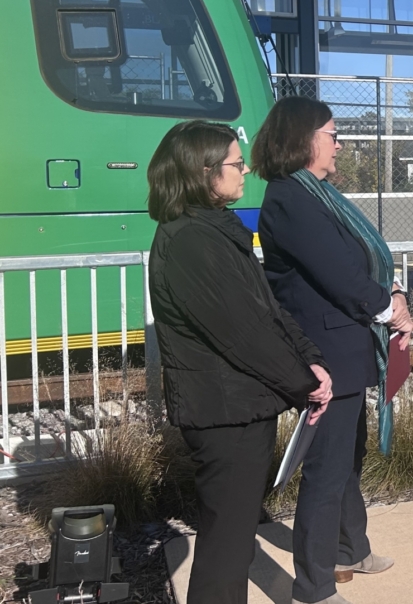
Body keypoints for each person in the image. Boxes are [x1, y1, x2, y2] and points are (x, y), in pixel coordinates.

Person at [146, 120, 333, 604]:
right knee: (226, 550)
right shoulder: (190, 241)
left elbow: (267, 310)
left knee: (232, 541)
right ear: (204, 172)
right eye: (234, 162)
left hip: (241, 407)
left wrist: (308, 360)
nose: (245, 168)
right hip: (224, 415)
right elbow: (244, 334)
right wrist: (302, 384)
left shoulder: (213, 229)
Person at [252, 96, 413, 604]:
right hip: (326, 357)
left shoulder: (315, 195)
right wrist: (390, 309)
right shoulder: (291, 199)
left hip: (347, 349)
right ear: (304, 139)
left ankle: (349, 549)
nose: (339, 144)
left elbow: (361, 259)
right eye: (332, 133)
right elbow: (339, 273)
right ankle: (313, 587)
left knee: (348, 459)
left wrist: (395, 292)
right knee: (325, 471)